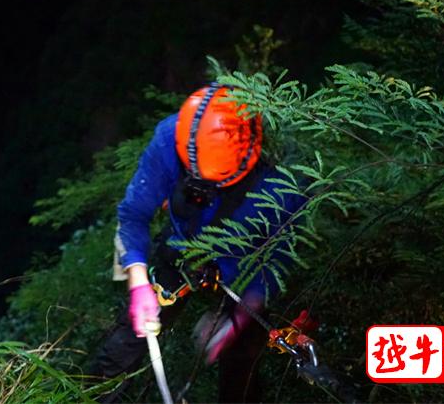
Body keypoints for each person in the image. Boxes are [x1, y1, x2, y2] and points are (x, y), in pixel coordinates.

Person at [89, 83, 306, 403]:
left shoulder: (282, 184)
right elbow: (133, 214)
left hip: (245, 263)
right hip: (182, 248)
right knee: (124, 345)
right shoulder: (169, 139)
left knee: (241, 366)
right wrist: (137, 283)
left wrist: (243, 314)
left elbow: (280, 257)